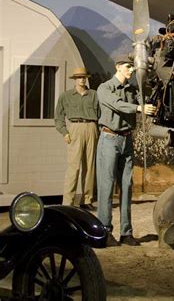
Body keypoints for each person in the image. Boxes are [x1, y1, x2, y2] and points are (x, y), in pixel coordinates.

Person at [96, 56, 156, 247]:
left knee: (127, 187)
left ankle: (126, 232)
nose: (131, 70)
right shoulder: (105, 88)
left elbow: (146, 102)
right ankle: (104, 232)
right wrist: (139, 107)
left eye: (133, 67)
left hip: (126, 139)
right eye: (128, 67)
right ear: (118, 67)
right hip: (109, 139)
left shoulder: (133, 90)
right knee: (106, 187)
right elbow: (118, 105)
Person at [55, 67, 99, 210]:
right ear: (74, 79)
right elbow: (58, 117)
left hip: (92, 127)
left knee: (90, 166)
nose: (82, 79)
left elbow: (100, 113)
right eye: (79, 77)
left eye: (84, 76)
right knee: (73, 167)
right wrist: (65, 132)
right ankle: (68, 202)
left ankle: (87, 200)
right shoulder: (66, 96)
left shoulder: (94, 95)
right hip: (75, 128)